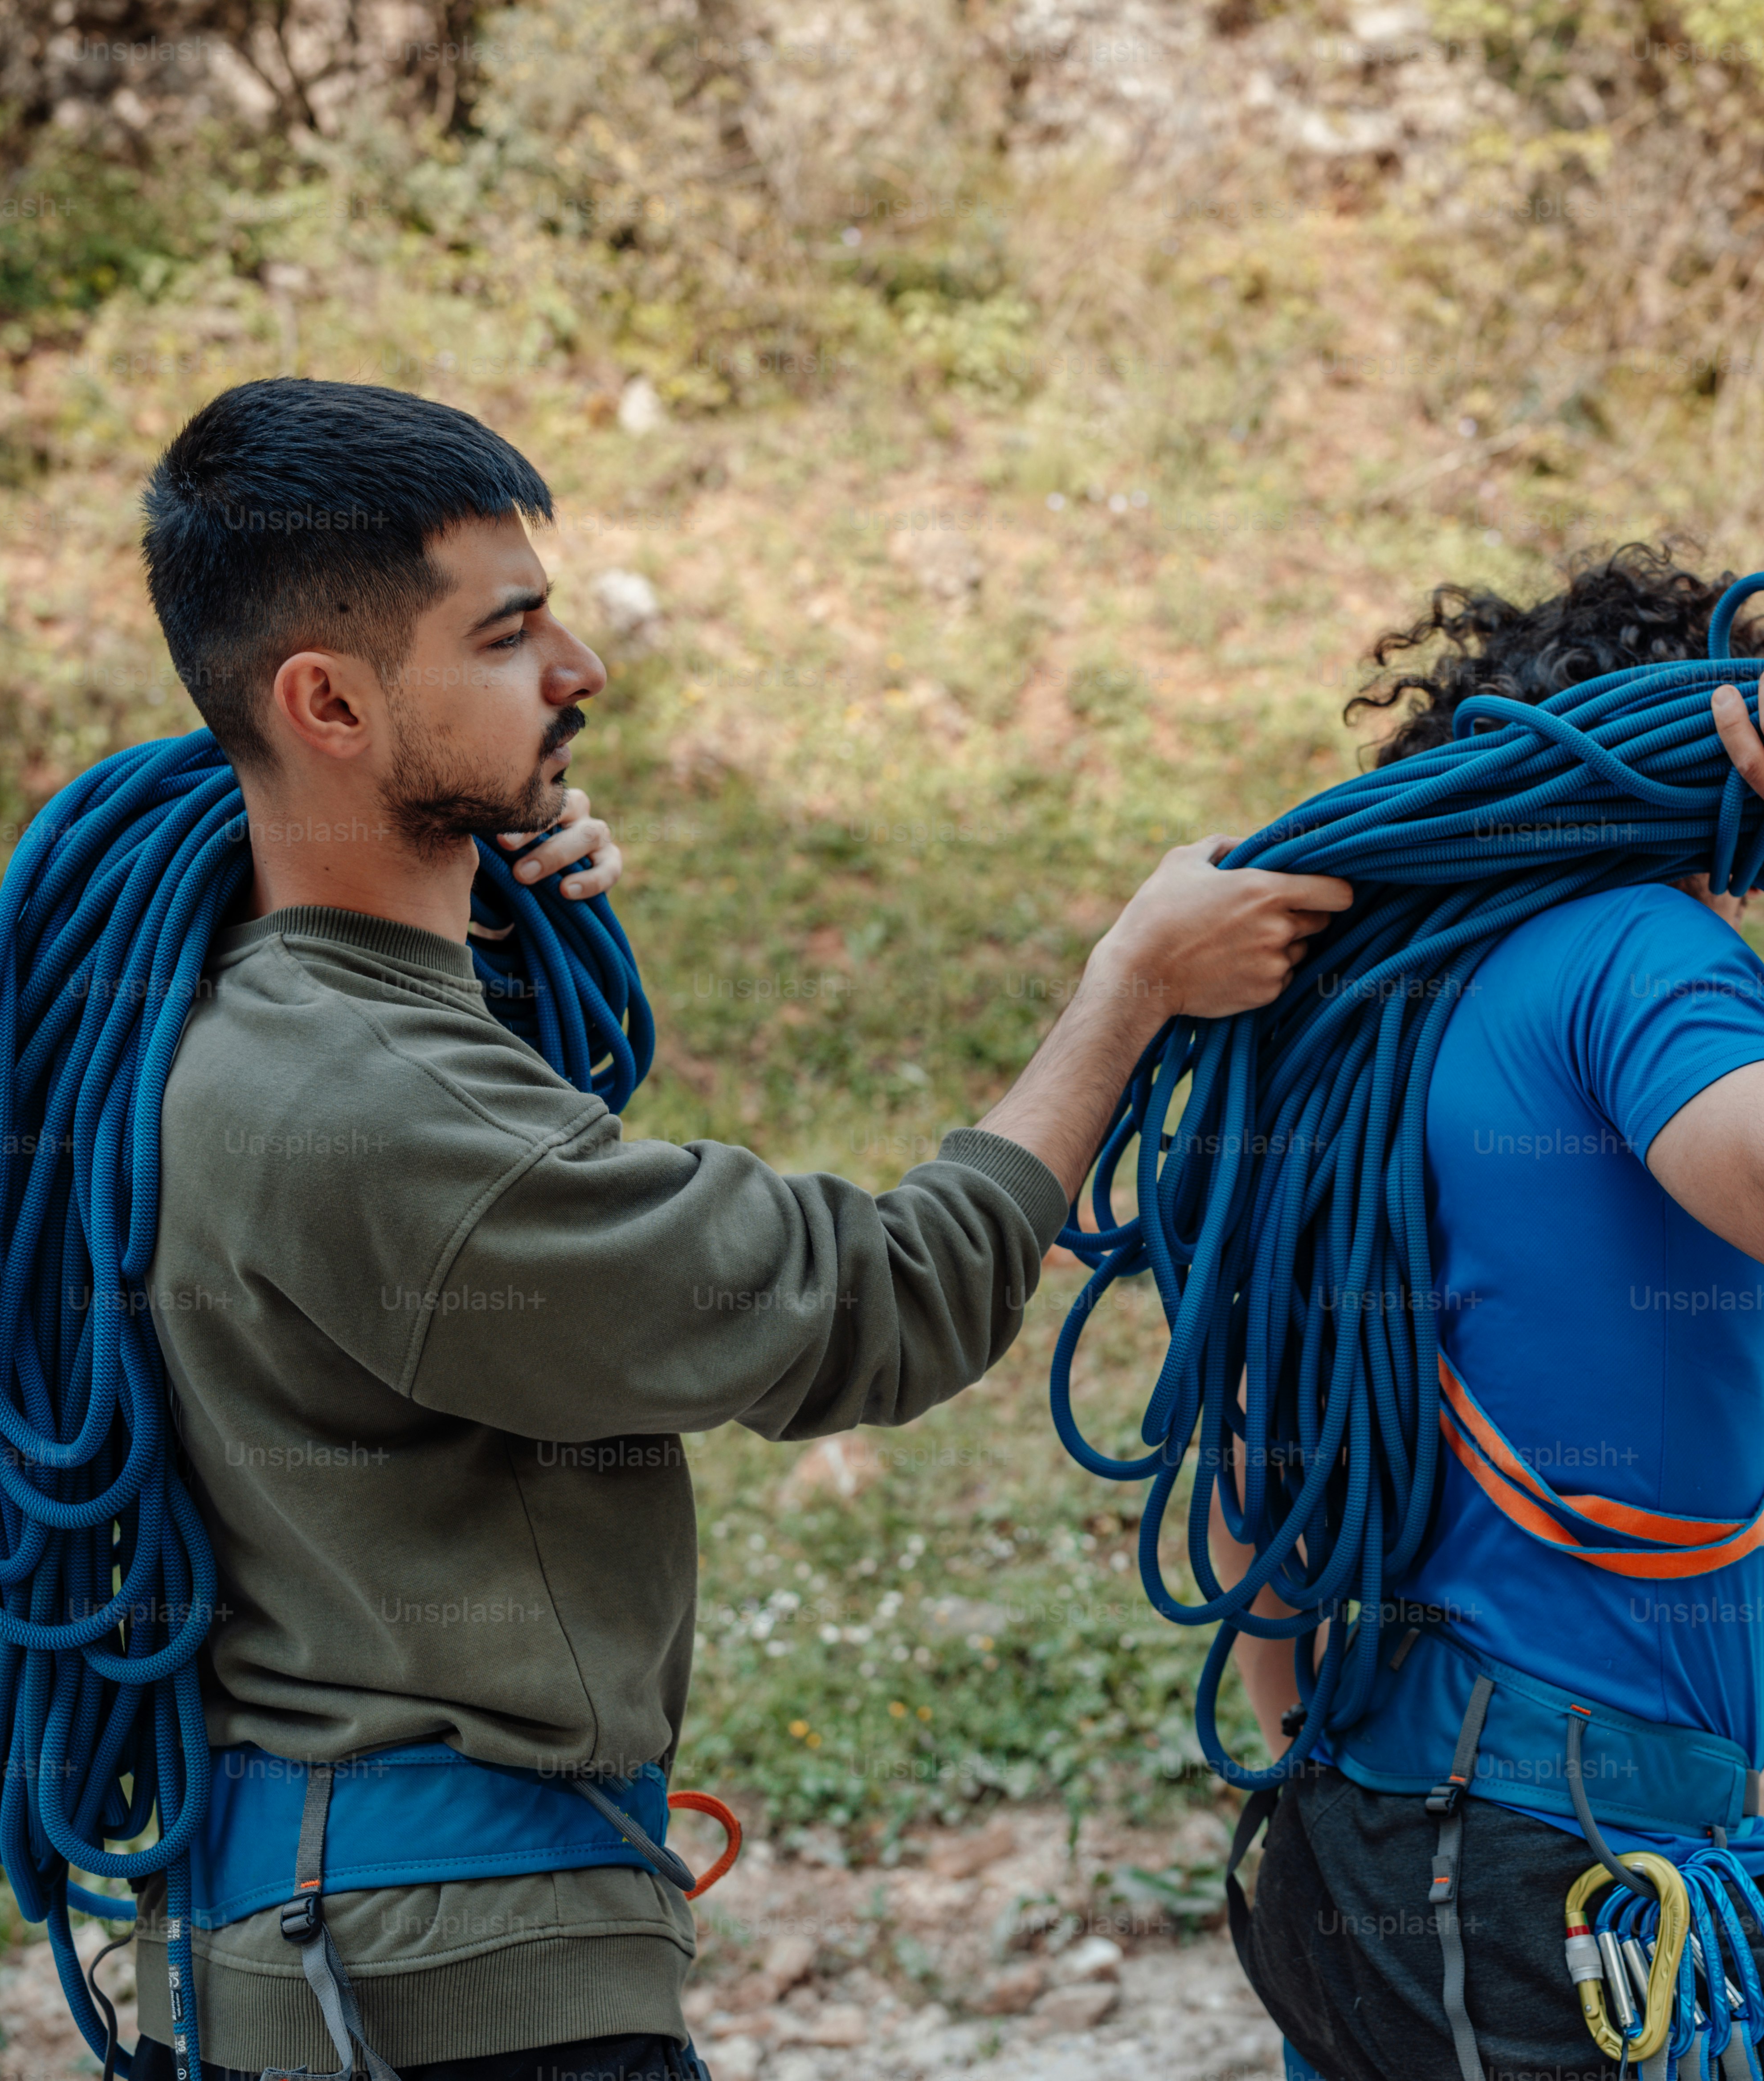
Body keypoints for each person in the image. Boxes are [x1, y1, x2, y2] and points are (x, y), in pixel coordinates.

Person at [114, 377, 1350, 2080]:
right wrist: (1130, 990)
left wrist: (491, 903)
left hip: (302, 1951)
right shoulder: (384, 1112)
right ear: (326, 701)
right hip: (449, 1996)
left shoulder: (217, 1009)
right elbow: (889, 1303)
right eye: (508, 640)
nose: (580, 676)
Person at [1214, 545, 1764, 2081]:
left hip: (1360, 1845)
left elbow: (1259, 1460)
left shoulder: (1352, 1021)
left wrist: (1366, 1785)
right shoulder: (1633, 949)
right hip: (1569, 1877)